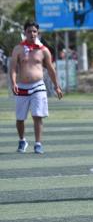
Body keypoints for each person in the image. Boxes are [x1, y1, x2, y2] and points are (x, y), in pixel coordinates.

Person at [10, 21, 63, 154]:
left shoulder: (43, 50)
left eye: (34, 31)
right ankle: (22, 140)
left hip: (38, 86)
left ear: (38, 33)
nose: (32, 34)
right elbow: (13, 69)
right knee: (20, 118)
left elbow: (51, 69)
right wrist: (14, 82)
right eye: (29, 31)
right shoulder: (18, 49)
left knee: (37, 116)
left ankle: (38, 143)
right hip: (21, 87)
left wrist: (57, 86)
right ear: (24, 33)